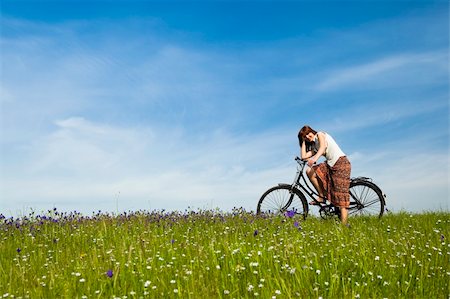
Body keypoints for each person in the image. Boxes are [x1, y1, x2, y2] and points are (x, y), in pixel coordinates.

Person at [298, 125, 351, 224]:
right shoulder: (315, 146)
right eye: (304, 137)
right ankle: (322, 196)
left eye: (308, 134)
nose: (307, 137)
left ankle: (344, 226)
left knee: (340, 195)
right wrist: (303, 142)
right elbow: (304, 156)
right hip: (330, 165)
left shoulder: (320, 135)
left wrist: (314, 158)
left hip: (341, 163)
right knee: (309, 171)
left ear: (312, 131)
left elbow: (323, 147)